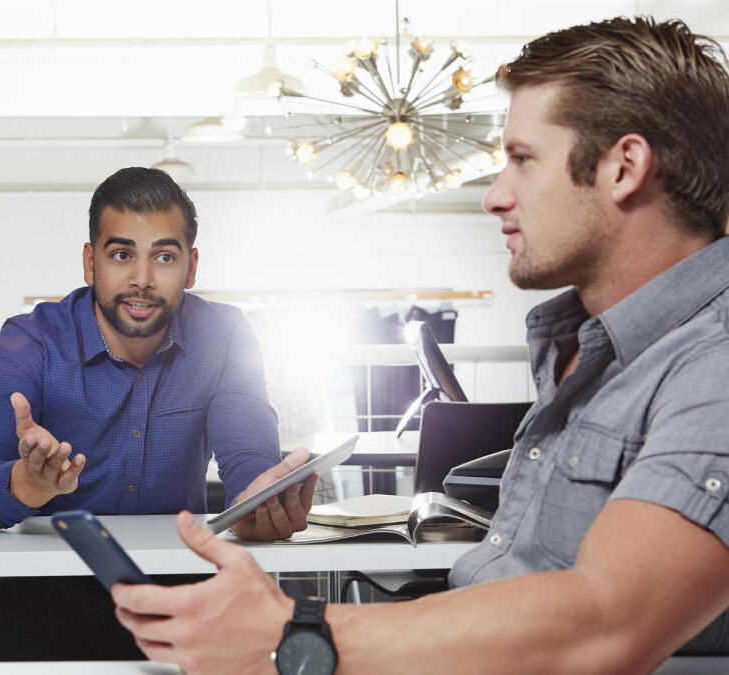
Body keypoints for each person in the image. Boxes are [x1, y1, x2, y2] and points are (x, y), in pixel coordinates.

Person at [111, 17, 729, 674]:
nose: (495, 196)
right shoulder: (594, 353)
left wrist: (297, 632)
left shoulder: (713, 364)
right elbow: (516, 594)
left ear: (624, 167)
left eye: (522, 159)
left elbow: (607, 618)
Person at [0, 167, 318, 661]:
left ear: (190, 268)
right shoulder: (28, 341)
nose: (142, 280)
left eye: (163, 257)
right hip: (47, 586)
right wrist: (27, 484)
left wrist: (259, 507)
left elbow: (249, 463)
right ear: (90, 262)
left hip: (181, 587)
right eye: (121, 255)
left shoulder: (225, 334)